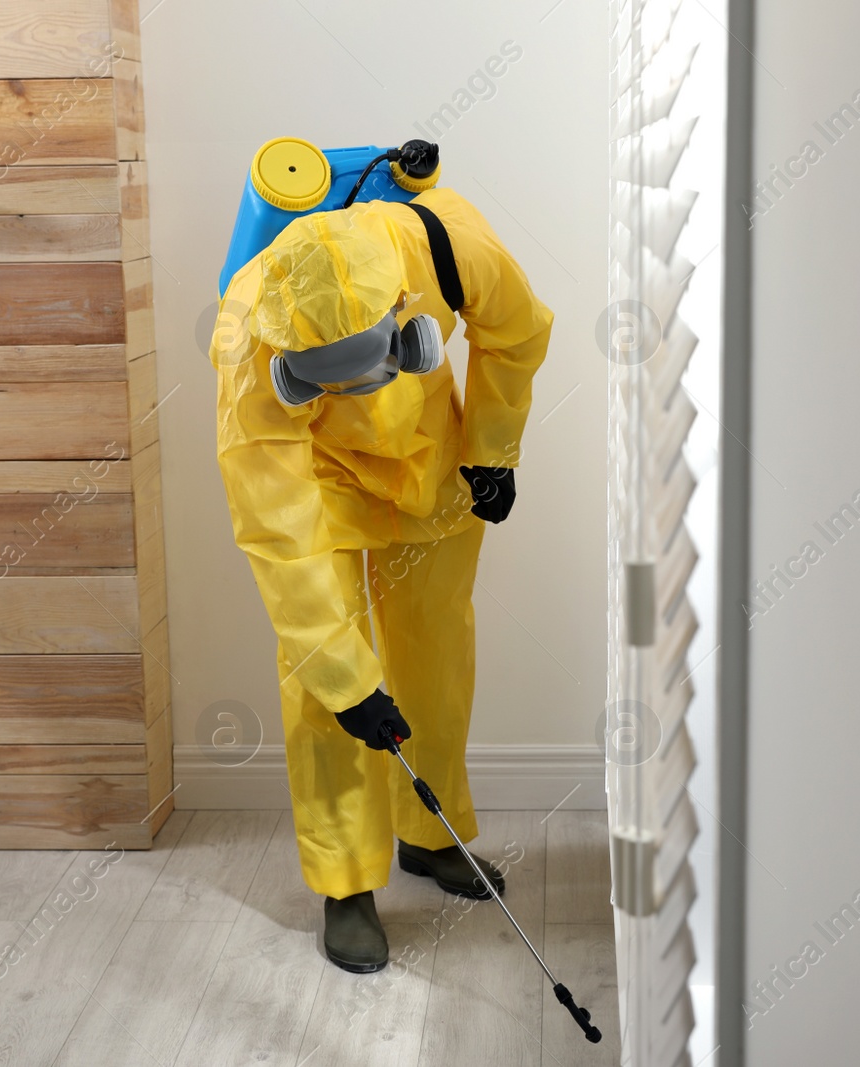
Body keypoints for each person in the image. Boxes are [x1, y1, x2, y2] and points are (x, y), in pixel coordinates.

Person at [209, 184, 553, 973]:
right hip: (320, 484)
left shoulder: (450, 244)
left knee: (435, 653)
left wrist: (494, 448)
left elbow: (519, 332)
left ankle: (430, 836)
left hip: (433, 463)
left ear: (409, 319)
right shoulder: (246, 340)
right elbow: (273, 521)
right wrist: (343, 675)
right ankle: (346, 882)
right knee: (327, 689)